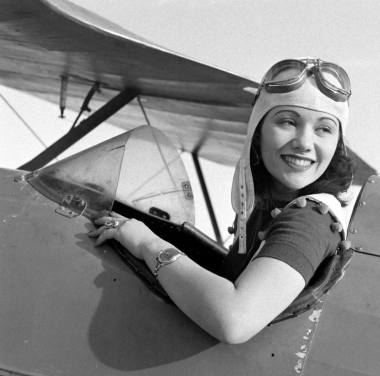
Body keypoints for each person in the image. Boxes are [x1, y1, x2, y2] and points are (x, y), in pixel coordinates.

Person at [89, 58, 354, 344]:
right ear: (258, 132)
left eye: (323, 129)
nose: (304, 142)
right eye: (288, 122)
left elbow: (234, 320)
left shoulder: (310, 219)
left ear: (336, 143)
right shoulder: (268, 207)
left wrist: (147, 244)